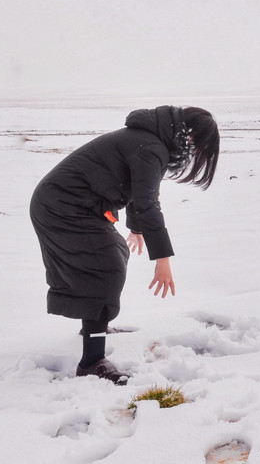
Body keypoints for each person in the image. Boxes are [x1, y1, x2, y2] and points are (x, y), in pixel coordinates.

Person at [29, 105, 220, 383]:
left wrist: (136, 229)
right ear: (185, 133)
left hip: (66, 202)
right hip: (64, 205)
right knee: (105, 268)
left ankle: (94, 325)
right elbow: (147, 202)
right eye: (194, 142)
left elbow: (136, 187)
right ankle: (92, 361)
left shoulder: (148, 141)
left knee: (113, 254)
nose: (192, 149)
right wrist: (162, 260)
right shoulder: (151, 147)